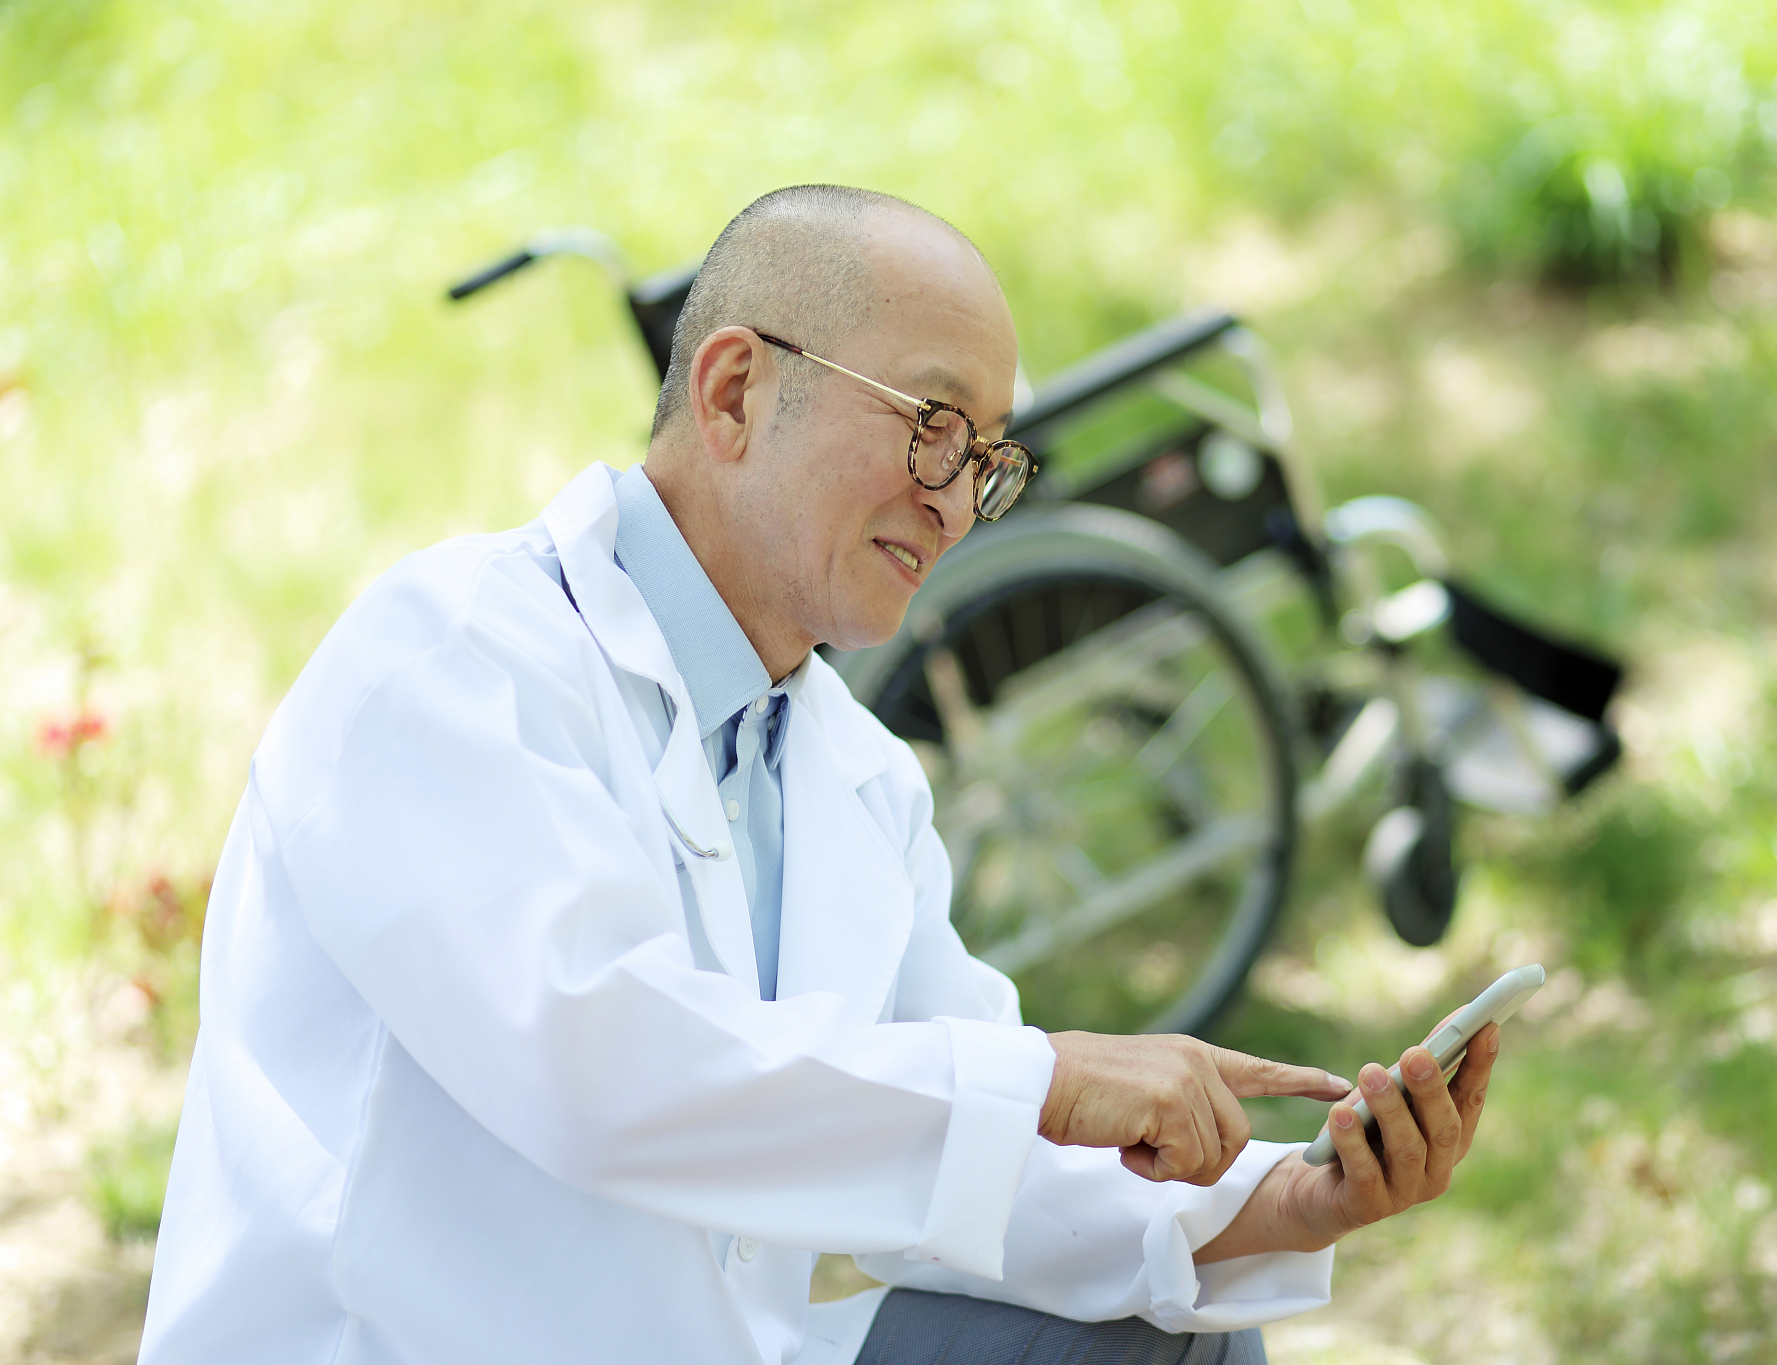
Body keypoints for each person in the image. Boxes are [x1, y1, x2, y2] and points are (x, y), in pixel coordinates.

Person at [138, 185, 1502, 1365]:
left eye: (988, 461)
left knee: (1169, 1336)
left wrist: (1296, 1199)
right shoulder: (449, 661)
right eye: (932, 425)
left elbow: (976, 1163)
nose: (957, 500)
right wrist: (1039, 1075)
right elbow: (608, 1072)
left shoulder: (850, 770)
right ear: (737, 388)